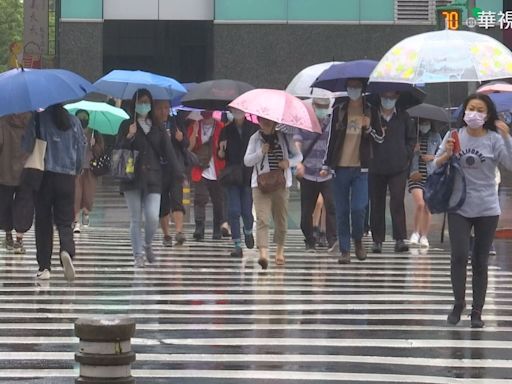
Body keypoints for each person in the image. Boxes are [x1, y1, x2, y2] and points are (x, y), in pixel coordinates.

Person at [435, 93, 512, 328]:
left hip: (487, 208)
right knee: (458, 256)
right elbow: (434, 164)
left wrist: (507, 137)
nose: (475, 114)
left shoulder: (494, 139)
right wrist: (447, 154)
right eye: (471, 108)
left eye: (480, 110)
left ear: (487, 115)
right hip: (458, 207)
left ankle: (477, 310)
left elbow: (510, 164)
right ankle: (458, 302)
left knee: (480, 260)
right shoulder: (454, 135)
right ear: (464, 112)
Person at [22, 104, 86, 281]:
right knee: (65, 221)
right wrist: (77, 170)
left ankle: (44, 267)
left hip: (44, 175)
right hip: (66, 177)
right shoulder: (74, 121)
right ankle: (66, 249)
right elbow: (81, 151)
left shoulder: (39, 119)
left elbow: (26, 145)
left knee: (43, 221)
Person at [322, 79, 383, 263]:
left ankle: (358, 239)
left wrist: (369, 126)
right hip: (340, 168)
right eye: (350, 86)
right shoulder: (338, 109)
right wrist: (327, 164)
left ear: (363, 89)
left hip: (361, 169)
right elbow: (331, 138)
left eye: (357, 87)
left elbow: (380, 138)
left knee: (358, 208)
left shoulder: (371, 110)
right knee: (341, 210)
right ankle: (345, 250)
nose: (353, 90)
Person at [116, 89, 179, 267]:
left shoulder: (157, 125)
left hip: (153, 178)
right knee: (135, 218)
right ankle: (138, 255)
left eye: (146, 102)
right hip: (131, 178)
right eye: (140, 102)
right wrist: (128, 136)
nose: (144, 105)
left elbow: (168, 151)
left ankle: (148, 245)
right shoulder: (126, 124)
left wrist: (178, 173)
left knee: (152, 217)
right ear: (134, 104)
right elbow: (117, 150)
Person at [244, 117, 302, 270]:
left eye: (269, 120)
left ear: (275, 122)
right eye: (262, 120)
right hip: (260, 185)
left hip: (280, 184)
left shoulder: (284, 137)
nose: (266, 122)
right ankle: (263, 253)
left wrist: (288, 163)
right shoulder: (255, 139)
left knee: (281, 221)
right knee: (262, 219)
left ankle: (280, 251)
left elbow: (299, 156)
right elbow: (247, 161)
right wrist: (260, 153)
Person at [369, 91, 416, 254]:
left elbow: (411, 139)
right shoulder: (372, 115)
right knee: (376, 203)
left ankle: (400, 238)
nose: (388, 100)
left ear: (397, 98)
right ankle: (377, 240)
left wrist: (406, 154)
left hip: (399, 167)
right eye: (385, 96)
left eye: (392, 97)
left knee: (397, 200)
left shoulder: (404, 116)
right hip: (375, 166)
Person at [294, 97, 337, 252]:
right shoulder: (304, 124)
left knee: (331, 206)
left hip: (327, 173)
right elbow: (297, 142)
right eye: (319, 106)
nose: (322, 109)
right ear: (313, 106)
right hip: (308, 174)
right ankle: (309, 239)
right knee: (307, 211)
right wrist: (299, 162)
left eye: (325, 106)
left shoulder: (332, 124)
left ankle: (332, 240)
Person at [217, 107, 258, 257]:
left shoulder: (254, 129)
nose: (237, 113)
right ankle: (237, 245)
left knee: (246, 211)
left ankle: (248, 231)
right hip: (232, 175)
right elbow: (220, 155)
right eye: (234, 110)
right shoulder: (226, 130)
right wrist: (221, 151)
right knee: (234, 210)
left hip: (248, 174)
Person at [153, 100, 187, 247]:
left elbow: (186, 144)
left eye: (166, 108)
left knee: (177, 199)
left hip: (175, 168)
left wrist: (181, 139)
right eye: (160, 108)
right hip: (159, 169)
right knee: (163, 204)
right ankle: (166, 234)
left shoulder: (175, 123)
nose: (163, 111)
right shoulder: (152, 125)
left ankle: (179, 231)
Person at [187, 111, 226, 241]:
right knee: (200, 198)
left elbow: (224, 150)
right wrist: (194, 132)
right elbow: (189, 148)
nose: (206, 114)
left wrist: (220, 148)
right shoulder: (195, 125)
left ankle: (217, 228)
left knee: (218, 201)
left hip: (218, 169)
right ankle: (199, 228)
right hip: (200, 168)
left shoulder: (221, 127)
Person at [0, 113, 33, 254]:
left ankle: (8, 236)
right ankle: (19, 240)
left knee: (4, 203)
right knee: (24, 204)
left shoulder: (3, 120)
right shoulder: (32, 121)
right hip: (27, 170)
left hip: (5, 169)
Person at [408, 118, 442, 248]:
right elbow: (405, 153)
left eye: (426, 123)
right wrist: (412, 149)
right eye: (421, 123)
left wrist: (432, 157)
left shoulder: (436, 136)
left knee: (427, 207)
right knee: (420, 204)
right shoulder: (413, 136)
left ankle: (424, 236)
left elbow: (442, 153)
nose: (424, 125)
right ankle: (415, 232)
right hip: (415, 175)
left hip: (431, 176)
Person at [73, 109, 105, 234]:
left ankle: (86, 213)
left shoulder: (94, 132)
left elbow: (101, 149)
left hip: (90, 168)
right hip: (76, 168)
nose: (82, 119)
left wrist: (94, 145)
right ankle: (76, 221)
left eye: (84, 117)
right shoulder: (73, 131)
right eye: (80, 117)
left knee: (88, 194)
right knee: (76, 195)